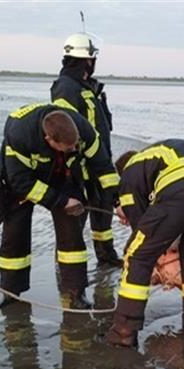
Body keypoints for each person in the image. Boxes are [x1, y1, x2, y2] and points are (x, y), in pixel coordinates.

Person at [0, 104, 117, 310]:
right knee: (14, 234)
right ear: (49, 140)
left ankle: (75, 293)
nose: (74, 149)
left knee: (72, 235)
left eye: (75, 145)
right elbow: (21, 182)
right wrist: (61, 202)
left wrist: (118, 201)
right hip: (23, 178)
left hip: (62, 175)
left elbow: (104, 167)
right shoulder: (19, 134)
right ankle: (11, 292)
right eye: (68, 147)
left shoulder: (85, 132)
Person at [106, 139, 184, 347]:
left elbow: (140, 228)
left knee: (138, 254)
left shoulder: (128, 175)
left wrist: (126, 210)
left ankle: (123, 331)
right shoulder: (154, 158)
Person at [51, 31, 122, 267]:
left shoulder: (88, 87)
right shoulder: (66, 87)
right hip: (79, 167)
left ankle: (106, 257)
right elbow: (65, 127)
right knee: (74, 219)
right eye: (92, 58)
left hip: (98, 162)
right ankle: (67, 267)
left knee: (102, 213)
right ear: (87, 60)